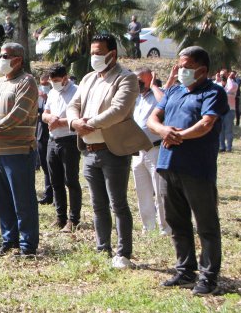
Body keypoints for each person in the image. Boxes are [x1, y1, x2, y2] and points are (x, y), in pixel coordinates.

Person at [147, 46, 228, 296]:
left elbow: (206, 124)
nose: (181, 70)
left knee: (205, 224)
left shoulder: (213, 92)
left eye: (186, 67)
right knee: (176, 221)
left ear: (202, 70)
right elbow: (153, 118)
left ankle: (208, 276)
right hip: (168, 165)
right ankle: (184, 271)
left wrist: (178, 135)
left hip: (197, 168)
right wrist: (162, 131)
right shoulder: (174, 90)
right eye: (180, 66)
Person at [66, 33, 152, 269]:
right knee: (97, 205)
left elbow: (119, 110)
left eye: (99, 52)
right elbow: (73, 104)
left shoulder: (126, 79)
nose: (94, 56)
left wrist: (89, 123)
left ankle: (123, 253)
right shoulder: (88, 78)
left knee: (118, 204)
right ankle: (102, 247)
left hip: (113, 151)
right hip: (89, 150)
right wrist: (75, 123)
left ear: (112, 54)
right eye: (92, 52)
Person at [0, 43, 39, 256]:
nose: (0, 59)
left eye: (5, 56)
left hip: (19, 151)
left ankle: (27, 245)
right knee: (2, 201)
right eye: (0, 55)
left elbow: (19, 113)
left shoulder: (27, 81)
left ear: (18, 59)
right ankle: (9, 239)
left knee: (23, 201)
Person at [41, 63, 81, 232]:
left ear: (65, 77)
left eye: (57, 80)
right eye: (52, 81)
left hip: (70, 141)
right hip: (53, 140)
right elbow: (44, 114)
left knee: (70, 181)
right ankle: (60, 217)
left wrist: (60, 122)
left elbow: (81, 117)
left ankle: (73, 219)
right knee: (55, 181)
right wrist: (50, 119)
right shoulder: (52, 93)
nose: (54, 83)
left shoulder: (77, 91)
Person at [131, 67, 170, 235]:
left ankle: (165, 227)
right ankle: (148, 225)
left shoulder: (158, 95)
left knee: (160, 189)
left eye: (140, 80)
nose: (137, 83)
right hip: (137, 151)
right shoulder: (136, 98)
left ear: (149, 79)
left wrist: (154, 86)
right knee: (142, 191)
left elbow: (166, 104)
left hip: (155, 148)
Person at [35, 74, 53, 205]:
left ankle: (56, 196)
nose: (44, 87)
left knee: (55, 167)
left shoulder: (55, 94)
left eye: (46, 84)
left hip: (53, 136)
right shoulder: (37, 93)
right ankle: (49, 195)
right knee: (45, 166)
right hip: (40, 135)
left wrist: (47, 99)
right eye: (42, 84)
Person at [214, 70, 237, 153]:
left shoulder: (234, 84)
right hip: (220, 110)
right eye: (221, 75)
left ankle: (229, 147)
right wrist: (217, 80)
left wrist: (229, 79)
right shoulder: (218, 85)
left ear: (228, 75)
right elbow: (213, 89)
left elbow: (230, 88)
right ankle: (222, 146)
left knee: (228, 130)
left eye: (224, 74)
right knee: (220, 130)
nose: (222, 76)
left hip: (230, 110)